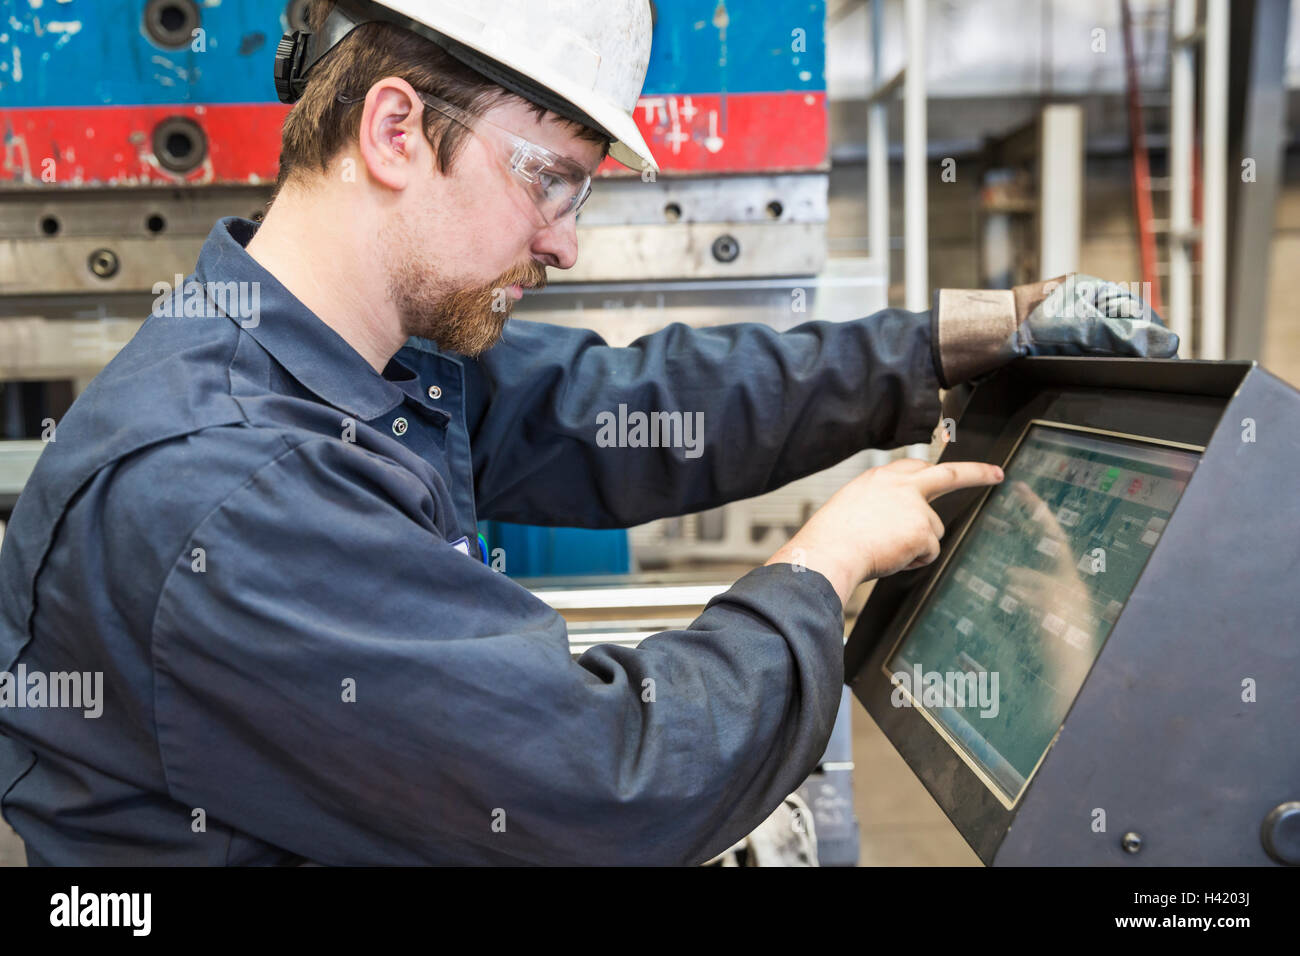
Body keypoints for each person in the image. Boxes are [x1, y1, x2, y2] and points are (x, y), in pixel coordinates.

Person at [0, 0, 1177, 865]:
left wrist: (956, 338)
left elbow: (640, 407)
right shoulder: (232, 486)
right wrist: (819, 566)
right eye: (550, 180)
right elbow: (613, 786)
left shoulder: (358, 366)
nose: (565, 242)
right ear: (397, 131)